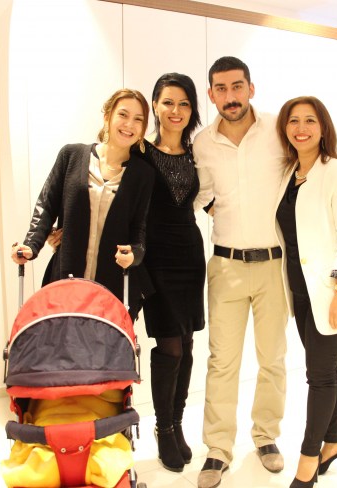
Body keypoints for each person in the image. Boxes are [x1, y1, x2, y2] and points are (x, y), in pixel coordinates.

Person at [193, 56, 288, 488]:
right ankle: (217, 448)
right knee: (222, 362)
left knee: (273, 359)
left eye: (237, 86)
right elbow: (200, 195)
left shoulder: (278, 129)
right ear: (211, 94)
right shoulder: (202, 143)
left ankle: (266, 436)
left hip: (274, 265)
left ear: (251, 88)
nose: (230, 97)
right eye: (221, 89)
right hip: (226, 265)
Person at [274, 96, 337, 488]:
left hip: (328, 290)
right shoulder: (287, 173)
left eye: (310, 120)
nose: (301, 128)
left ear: (323, 127)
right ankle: (336, 442)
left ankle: (308, 461)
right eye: (293, 121)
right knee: (329, 367)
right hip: (298, 290)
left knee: (320, 375)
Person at [11, 89, 155, 321]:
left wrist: (134, 255)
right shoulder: (72, 155)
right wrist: (31, 245)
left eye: (138, 119)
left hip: (113, 287)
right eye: (123, 114)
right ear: (107, 116)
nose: (129, 124)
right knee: (62, 340)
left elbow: (140, 229)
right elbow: (46, 206)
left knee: (105, 343)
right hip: (67, 278)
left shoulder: (143, 174)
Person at [139, 73, 205, 472]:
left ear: (192, 109)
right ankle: (162, 427)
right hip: (155, 260)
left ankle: (178, 423)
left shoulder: (198, 153)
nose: (175, 110)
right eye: (167, 102)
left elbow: (212, 197)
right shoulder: (140, 151)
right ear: (155, 105)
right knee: (170, 348)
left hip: (190, 256)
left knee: (188, 343)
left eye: (183, 103)